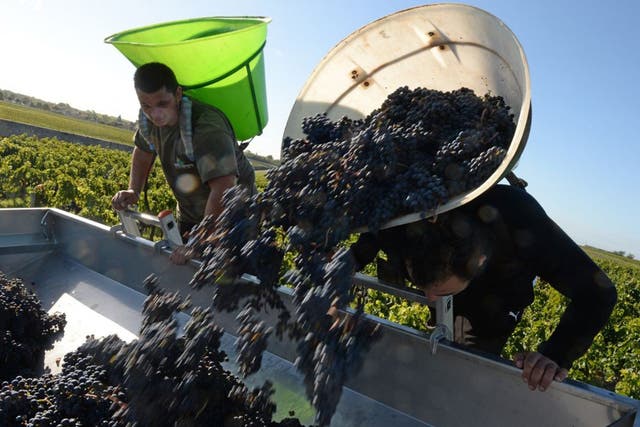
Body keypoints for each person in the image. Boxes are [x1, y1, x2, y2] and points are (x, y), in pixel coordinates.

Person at [350, 183, 617, 392]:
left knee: (471, 369)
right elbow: (375, 231)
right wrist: (351, 261)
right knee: (439, 345)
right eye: (422, 287)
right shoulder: (404, 217)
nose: (429, 298)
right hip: (418, 233)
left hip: (497, 299)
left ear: (478, 262)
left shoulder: (519, 218)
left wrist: (555, 355)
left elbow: (598, 293)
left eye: (441, 292)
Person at [111, 62, 256, 264]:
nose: (155, 114)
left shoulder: (206, 127)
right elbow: (143, 150)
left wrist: (200, 243)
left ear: (178, 94)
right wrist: (133, 190)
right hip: (192, 213)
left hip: (234, 217)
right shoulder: (149, 122)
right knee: (187, 272)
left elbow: (224, 189)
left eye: (162, 104)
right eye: (147, 106)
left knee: (230, 279)